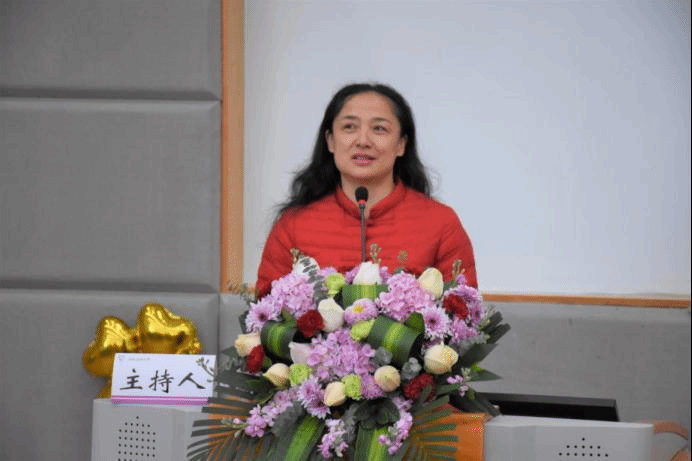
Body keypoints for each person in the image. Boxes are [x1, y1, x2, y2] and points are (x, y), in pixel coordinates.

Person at [255, 82, 477, 298]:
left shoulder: (441, 224)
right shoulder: (294, 225)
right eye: (349, 127)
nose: (363, 141)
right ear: (330, 141)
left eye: (379, 129)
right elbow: (266, 310)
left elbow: (463, 310)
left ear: (401, 144)